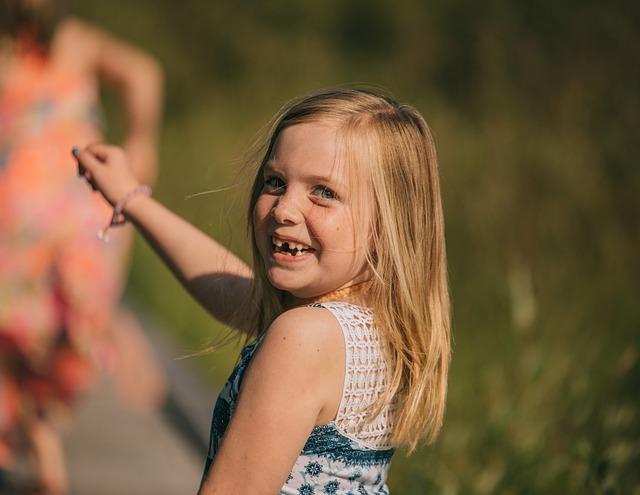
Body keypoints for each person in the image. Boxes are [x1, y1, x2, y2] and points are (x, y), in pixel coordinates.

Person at [73, 88, 452, 494]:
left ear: (389, 222)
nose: (284, 209)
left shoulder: (303, 339)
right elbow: (231, 288)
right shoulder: (375, 326)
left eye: (324, 192)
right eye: (275, 181)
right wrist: (130, 197)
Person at [0, 1, 165, 493]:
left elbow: (143, 72)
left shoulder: (78, 42)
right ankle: (43, 445)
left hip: (75, 213)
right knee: (15, 331)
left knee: (75, 323)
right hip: (15, 221)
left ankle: (41, 433)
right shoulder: (9, 48)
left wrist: (143, 141)